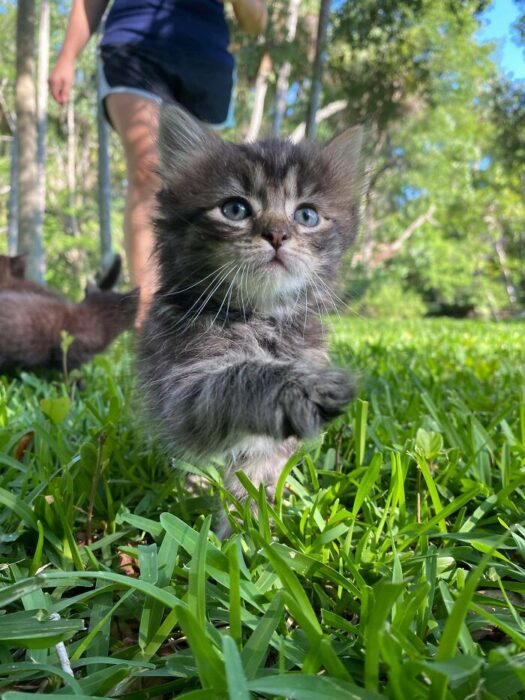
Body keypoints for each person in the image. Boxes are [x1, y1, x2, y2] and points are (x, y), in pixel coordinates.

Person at [49, 0, 267, 322]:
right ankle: (148, 316)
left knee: (206, 188)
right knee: (149, 167)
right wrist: (67, 57)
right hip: (134, 42)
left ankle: (199, 307)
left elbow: (255, 23)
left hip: (206, 59)